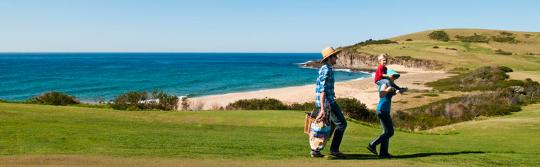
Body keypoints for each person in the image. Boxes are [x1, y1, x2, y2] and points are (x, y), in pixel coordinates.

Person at [310, 47, 347, 158]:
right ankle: (333, 150)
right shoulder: (326, 70)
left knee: (326, 126)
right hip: (327, 103)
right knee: (342, 124)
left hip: (328, 101)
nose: (337, 58)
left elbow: (326, 88)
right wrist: (322, 109)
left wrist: (332, 93)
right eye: (335, 56)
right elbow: (322, 90)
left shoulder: (327, 68)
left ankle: (316, 150)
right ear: (330, 58)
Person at [367, 69, 400, 159]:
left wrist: (397, 91)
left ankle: (383, 153)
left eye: (395, 76)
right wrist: (389, 89)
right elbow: (381, 94)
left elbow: (388, 95)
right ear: (388, 76)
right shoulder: (385, 82)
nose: (394, 78)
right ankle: (372, 144)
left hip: (384, 110)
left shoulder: (390, 84)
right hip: (382, 110)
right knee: (390, 132)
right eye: (393, 76)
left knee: (386, 132)